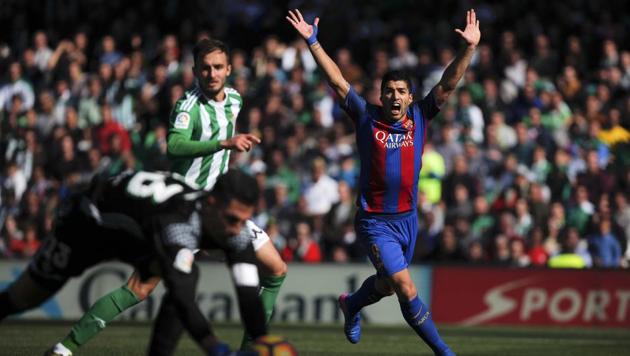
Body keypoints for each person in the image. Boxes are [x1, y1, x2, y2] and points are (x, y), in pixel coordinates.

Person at [49, 38, 287, 356]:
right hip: (182, 211)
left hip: (219, 213)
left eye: (218, 67)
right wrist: (224, 143)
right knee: (140, 288)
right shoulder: (188, 106)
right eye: (205, 68)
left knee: (276, 269)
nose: (212, 73)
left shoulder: (234, 99)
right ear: (195, 71)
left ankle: (251, 352)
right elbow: (175, 145)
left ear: (229, 70)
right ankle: (64, 349)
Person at [287, 8, 481, 355]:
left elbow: (449, 83)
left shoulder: (421, 115)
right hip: (375, 221)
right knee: (405, 287)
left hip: (408, 219)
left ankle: (351, 304)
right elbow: (337, 81)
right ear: (381, 95)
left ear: (410, 96)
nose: (394, 96)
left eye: (401, 91)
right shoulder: (366, 117)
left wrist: (468, 49)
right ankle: (444, 352)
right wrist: (313, 42)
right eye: (388, 91)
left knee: (388, 286)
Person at [0, 170, 266, 356]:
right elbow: (184, 300)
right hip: (87, 223)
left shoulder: (233, 227)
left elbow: (249, 297)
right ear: (211, 203)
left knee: (183, 278)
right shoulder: (178, 226)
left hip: (136, 232)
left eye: (244, 220)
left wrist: (264, 342)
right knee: (22, 299)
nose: (238, 230)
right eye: (232, 219)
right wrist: (215, 348)